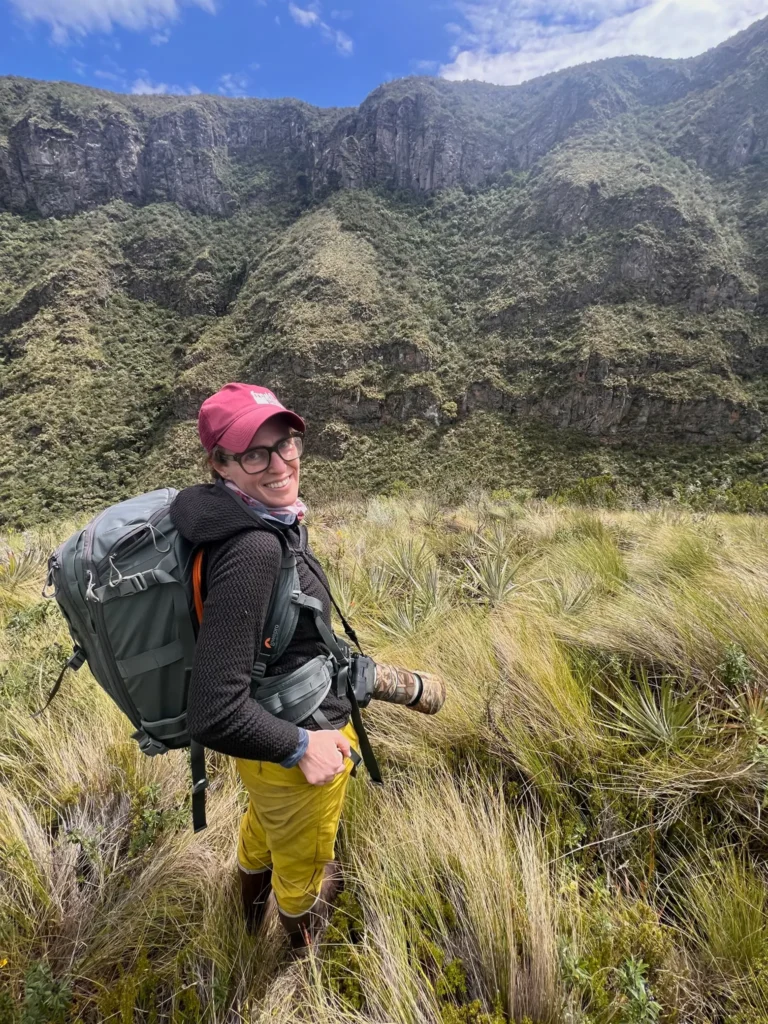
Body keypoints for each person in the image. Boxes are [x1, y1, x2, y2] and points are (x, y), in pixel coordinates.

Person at [170, 383, 360, 954]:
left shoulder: (229, 518)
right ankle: (296, 964)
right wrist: (304, 747)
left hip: (266, 751)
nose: (279, 464)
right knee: (304, 869)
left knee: (263, 831)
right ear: (220, 464)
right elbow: (214, 712)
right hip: (290, 747)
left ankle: (245, 920)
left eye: (286, 444)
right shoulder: (254, 549)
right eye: (255, 453)